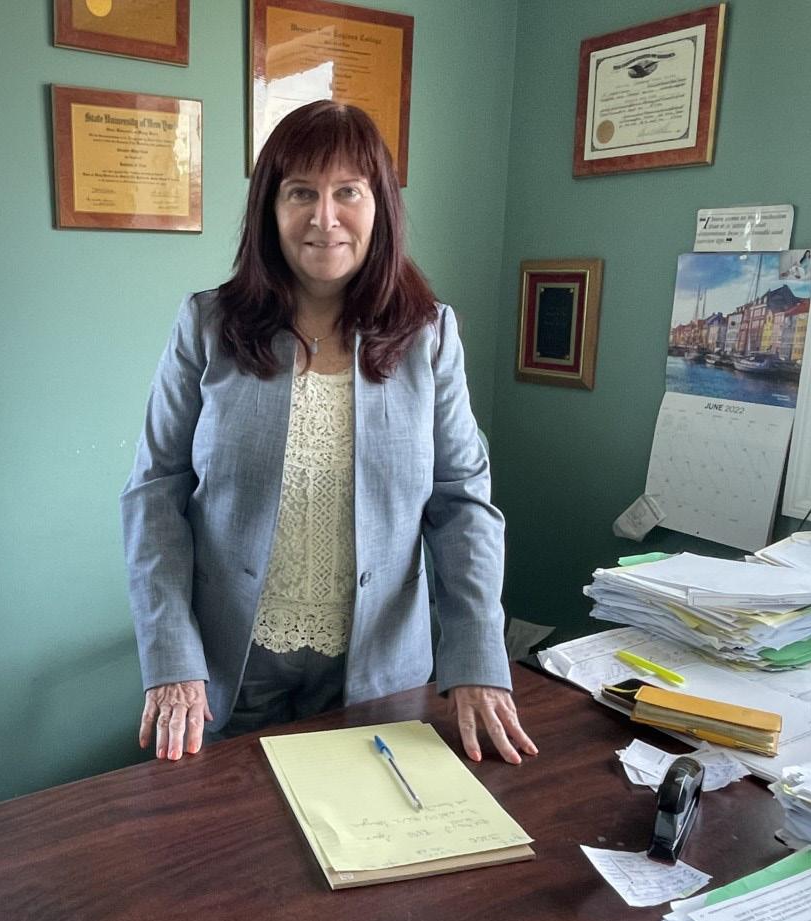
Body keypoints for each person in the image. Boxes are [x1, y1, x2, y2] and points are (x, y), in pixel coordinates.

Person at [120, 100, 537, 767]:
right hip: (228, 672)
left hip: (378, 672)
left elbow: (462, 504)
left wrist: (477, 656)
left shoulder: (428, 335)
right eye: (300, 193)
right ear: (269, 209)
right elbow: (155, 494)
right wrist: (172, 658)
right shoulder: (207, 326)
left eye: (348, 191)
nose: (324, 217)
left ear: (380, 207)